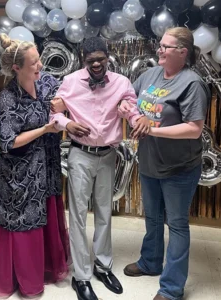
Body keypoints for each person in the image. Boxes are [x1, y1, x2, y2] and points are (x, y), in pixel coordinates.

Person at [50, 36, 150, 300]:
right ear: (83, 59)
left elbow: (131, 108)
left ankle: (103, 266)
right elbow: (54, 113)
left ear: (108, 57)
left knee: (105, 213)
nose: (96, 64)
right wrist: (67, 125)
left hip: (108, 155)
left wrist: (136, 116)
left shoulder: (122, 82)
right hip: (80, 154)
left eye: (100, 59)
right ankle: (81, 277)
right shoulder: (70, 81)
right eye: (90, 60)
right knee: (79, 216)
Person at [0, 33, 70, 299]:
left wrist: (61, 108)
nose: (40, 66)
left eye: (39, 60)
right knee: (21, 220)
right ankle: (19, 278)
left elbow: (63, 103)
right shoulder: (9, 97)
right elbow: (7, 141)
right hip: (18, 172)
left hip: (45, 166)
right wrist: (45, 128)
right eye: (34, 63)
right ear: (17, 68)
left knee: (44, 214)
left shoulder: (47, 82)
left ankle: (46, 268)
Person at [119, 27, 210, 300]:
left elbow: (194, 129)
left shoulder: (192, 83)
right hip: (150, 162)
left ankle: (171, 288)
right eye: (160, 45)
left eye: (166, 47)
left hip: (179, 168)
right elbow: (129, 99)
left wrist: (151, 129)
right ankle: (150, 262)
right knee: (153, 217)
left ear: (182, 52)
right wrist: (127, 111)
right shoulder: (151, 74)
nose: (159, 50)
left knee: (178, 224)